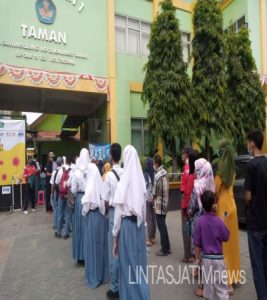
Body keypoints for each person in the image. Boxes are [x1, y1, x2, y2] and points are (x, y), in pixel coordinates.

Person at [113, 145, 150, 300]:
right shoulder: (142, 184)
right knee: (139, 267)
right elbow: (144, 213)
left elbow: (118, 215)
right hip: (139, 228)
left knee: (128, 267)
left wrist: (115, 238)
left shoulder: (123, 184)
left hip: (127, 228)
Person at [215, 139, 241, 294]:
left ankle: (227, 282)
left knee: (223, 245)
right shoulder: (233, 168)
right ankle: (235, 275)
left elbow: (216, 189)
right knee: (233, 244)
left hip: (223, 208)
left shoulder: (221, 169)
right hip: (233, 207)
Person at [193, 190, 230, 300]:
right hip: (218, 259)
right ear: (214, 204)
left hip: (206, 260)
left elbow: (197, 245)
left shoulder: (200, 221)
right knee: (222, 287)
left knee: (208, 288)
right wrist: (223, 221)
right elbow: (226, 237)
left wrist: (197, 259)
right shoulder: (219, 221)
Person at [244, 129, 267, 300]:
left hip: (255, 223)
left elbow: (247, 196)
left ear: (252, 143)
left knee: (257, 266)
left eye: (248, 141)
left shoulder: (251, 165)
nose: (247, 145)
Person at [188, 158, 215, 296]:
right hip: (212, 223)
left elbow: (192, 206)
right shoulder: (211, 182)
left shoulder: (198, 185)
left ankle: (202, 286)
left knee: (199, 252)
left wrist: (189, 213)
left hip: (199, 223)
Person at [82, 162, 109, 288]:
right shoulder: (100, 184)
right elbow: (104, 202)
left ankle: (94, 275)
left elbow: (85, 208)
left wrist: (83, 213)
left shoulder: (90, 188)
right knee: (101, 245)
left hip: (92, 218)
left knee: (92, 246)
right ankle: (103, 275)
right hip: (101, 218)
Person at [103, 143, 123, 300]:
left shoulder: (109, 176)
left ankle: (115, 288)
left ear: (111, 156)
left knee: (114, 251)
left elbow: (106, 199)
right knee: (124, 250)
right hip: (126, 216)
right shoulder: (126, 173)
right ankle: (124, 284)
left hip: (114, 212)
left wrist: (106, 213)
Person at [71, 148, 90, 264]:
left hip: (79, 200)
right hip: (88, 199)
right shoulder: (91, 170)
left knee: (78, 227)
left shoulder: (76, 172)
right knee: (87, 227)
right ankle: (88, 253)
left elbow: (73, 190)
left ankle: (80, 255)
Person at [180, 149, 198, 263]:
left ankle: (189, 255)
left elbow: (187, 191)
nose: (182, 155)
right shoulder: (197, 170)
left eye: (183, 153)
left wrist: (184, 207)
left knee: (186, 229)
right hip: (195, 204)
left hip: (189, 204)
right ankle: (193, 253)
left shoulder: (189, 171)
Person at [153, 154, 170, 256]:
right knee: (164, 225)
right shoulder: (165, 172)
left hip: (159, 204)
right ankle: (167, 246)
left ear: (156, 163)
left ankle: (164, 249)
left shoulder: (157, 175)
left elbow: (154, 193)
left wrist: (153, 202)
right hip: (166, 202)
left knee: (161, 227)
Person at [55, 155, 72, 239]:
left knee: (60, 213)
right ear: (71, 162)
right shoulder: (72, 171)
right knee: (68, 214)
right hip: (68, 195)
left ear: (64, 161)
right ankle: (65, 233)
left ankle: (58, 232)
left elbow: (57, 181)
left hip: (61, 194)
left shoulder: (61, 170)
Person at [144, 157, 156, 247]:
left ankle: (149, 239)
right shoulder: (154, 173)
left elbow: (144, 186)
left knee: (149, 219)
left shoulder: (146, 174)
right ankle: (153, 237)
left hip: (148, 199)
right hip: (153, 198)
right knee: (153, 218)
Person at [50, 157, 63, 230]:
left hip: (56, 192)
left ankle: (55, 224)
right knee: (62, 208)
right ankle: (61, 223)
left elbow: (52, 184)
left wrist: (51, 194)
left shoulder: (54, 172)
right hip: (62, 192)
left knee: (56, 208)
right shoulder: (64, 170)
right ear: (62, 162)